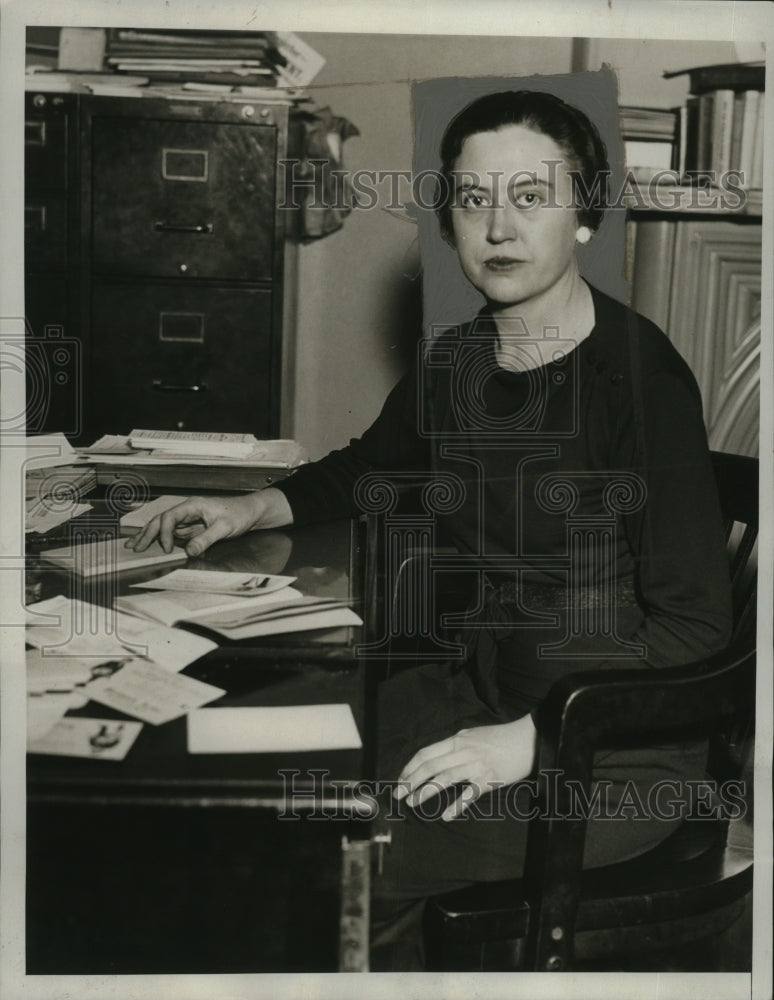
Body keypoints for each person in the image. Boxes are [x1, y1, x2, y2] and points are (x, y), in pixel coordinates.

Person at [129, 89, 733, 970]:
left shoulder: (640, 384)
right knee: (235, 779)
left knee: (332, 851)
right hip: (467, 695)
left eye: (530, 197)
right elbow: (371, 463)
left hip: (604, 754)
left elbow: (694, 624)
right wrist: (245, 508)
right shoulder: (460, 354)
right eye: (472, 198)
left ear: (586, 217)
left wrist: (533, 740)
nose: (498, 225)